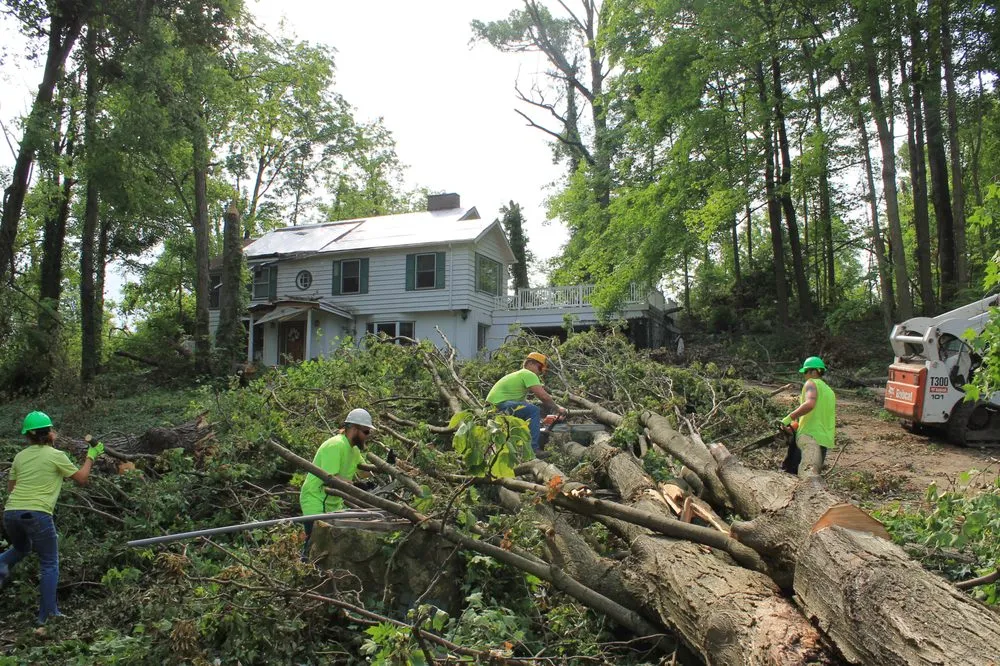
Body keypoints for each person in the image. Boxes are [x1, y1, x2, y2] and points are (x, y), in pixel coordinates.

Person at [0, 411, 104, 625]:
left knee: (22, 549)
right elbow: (82, 479)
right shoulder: (56, 456)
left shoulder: (20, 456)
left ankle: (1, 562)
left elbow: (11, 488)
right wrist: (92, 455)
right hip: (37, 513)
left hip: (11, 513)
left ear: (27, 436)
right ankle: (47, 615)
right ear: (50, 433)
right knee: (49, 562)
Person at [298, 408, 374, 560]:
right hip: (316, 501)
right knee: (313, 546)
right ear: (353, 429)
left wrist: (387, 465)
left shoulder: (354, 450)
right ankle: (303, 573)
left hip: (333, 503)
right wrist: (356, 486)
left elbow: (364, 473)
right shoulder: (335, 445)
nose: (368, 436)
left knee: (328, 548)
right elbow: (332, 479)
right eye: (366, 432)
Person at [486, 352, 567, 452]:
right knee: (533, 410)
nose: (540, 372)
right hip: (499, 405)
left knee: (531, 410)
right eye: (540, 368)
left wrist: (540, 421)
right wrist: (558, 408)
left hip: (492, 407)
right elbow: (543, 396)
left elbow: (524, 406)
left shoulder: (519, 375)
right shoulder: (528, 374)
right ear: (531, 363)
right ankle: (533, 449)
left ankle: (521, 449)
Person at [780, 356, 836, 475]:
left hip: (809, 437)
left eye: (806, 371)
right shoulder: (829, 391)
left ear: (814, 371)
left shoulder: (811, 383)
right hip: (824, 440)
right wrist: (795, 426)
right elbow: (817, 415)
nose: (804, 375)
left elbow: (810, 404)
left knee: (791, 474)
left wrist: (789, 418)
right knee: (811, 475)